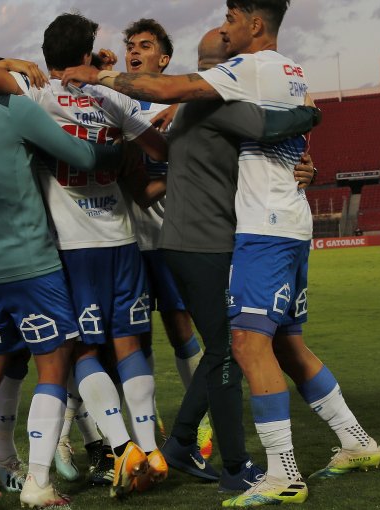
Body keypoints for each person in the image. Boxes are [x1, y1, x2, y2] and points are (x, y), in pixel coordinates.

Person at [64, 3, 380, 506]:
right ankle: (236, 466)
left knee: (240, 348)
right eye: (226, 33)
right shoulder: (217, 98)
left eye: (231, 23)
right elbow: (271, 124)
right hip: (215, 240)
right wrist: (312, 115)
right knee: (239, 349)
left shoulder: (213, 95)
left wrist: (304, 153)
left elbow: (245, 133)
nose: (228, 31)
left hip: (222, 237)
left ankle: (187, 445)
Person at [0, 14, 172, 497]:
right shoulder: (108, 95)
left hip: (40, 252)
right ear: (87, 54)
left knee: (65, 353)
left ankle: (111, 447)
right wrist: (119, 150)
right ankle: (144, 449)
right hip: (111, 242)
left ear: (42, 57)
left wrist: (9, 65)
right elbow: (154, 146)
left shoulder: (17, 100)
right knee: (116, 347)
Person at [0, 58, 121, 507]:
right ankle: (38, 483)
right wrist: (125, 149)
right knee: (53, 369)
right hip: (33, 265)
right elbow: (84, 157)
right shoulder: (12, 109)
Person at [118, 17, 215, 464]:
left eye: (145, 44)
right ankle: (149, 420)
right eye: (130, 45)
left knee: (182, 330)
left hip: (172, 237)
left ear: (164, 58)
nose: (134, 51)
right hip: (128, 241)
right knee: (138, 340)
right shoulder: (115, 103)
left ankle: (203, 418)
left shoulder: (183, 99)